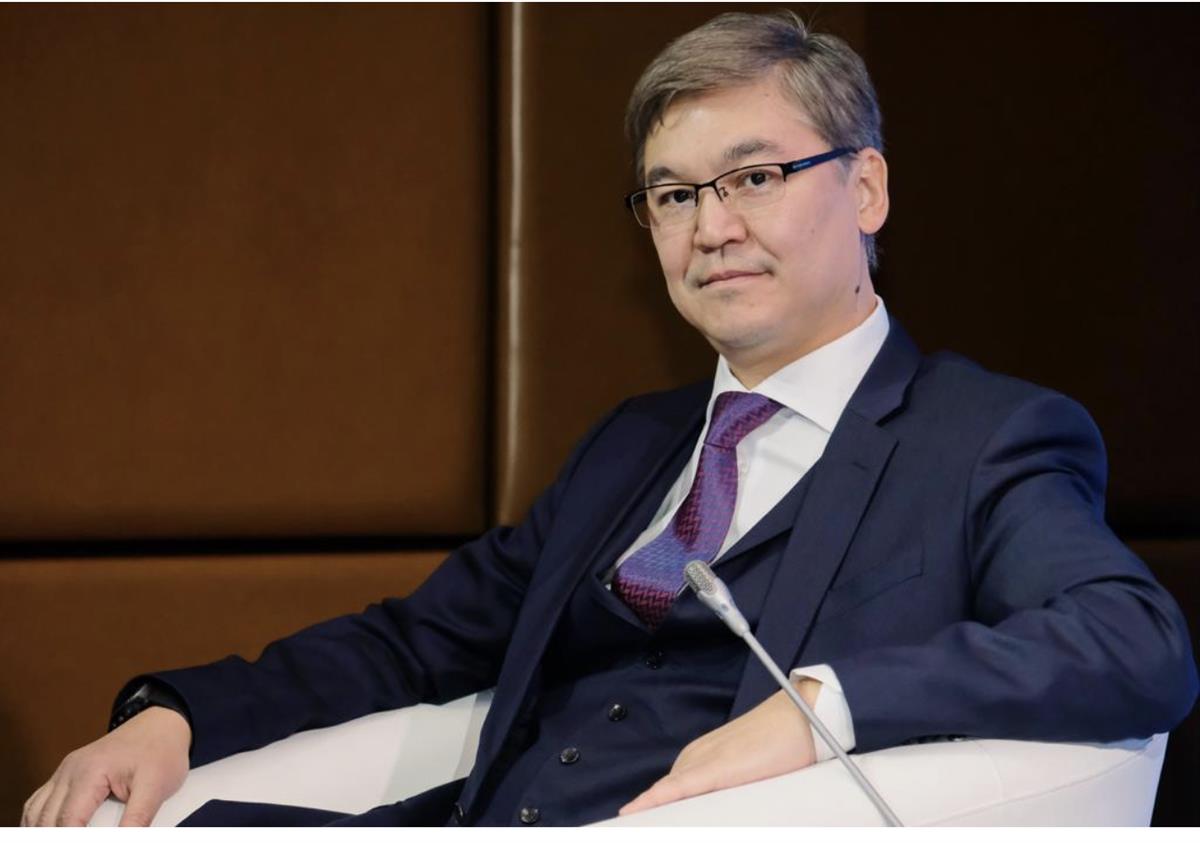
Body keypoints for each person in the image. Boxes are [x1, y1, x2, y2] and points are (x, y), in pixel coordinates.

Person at [23, 11, 1198, 827]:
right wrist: (178, 712)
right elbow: (416, 641)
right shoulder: (632, 444)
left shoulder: (985, 437)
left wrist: (820, 708)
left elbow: (1136, 643)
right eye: (675, 194)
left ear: (868, 188)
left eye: (755, 177)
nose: (712, 227)